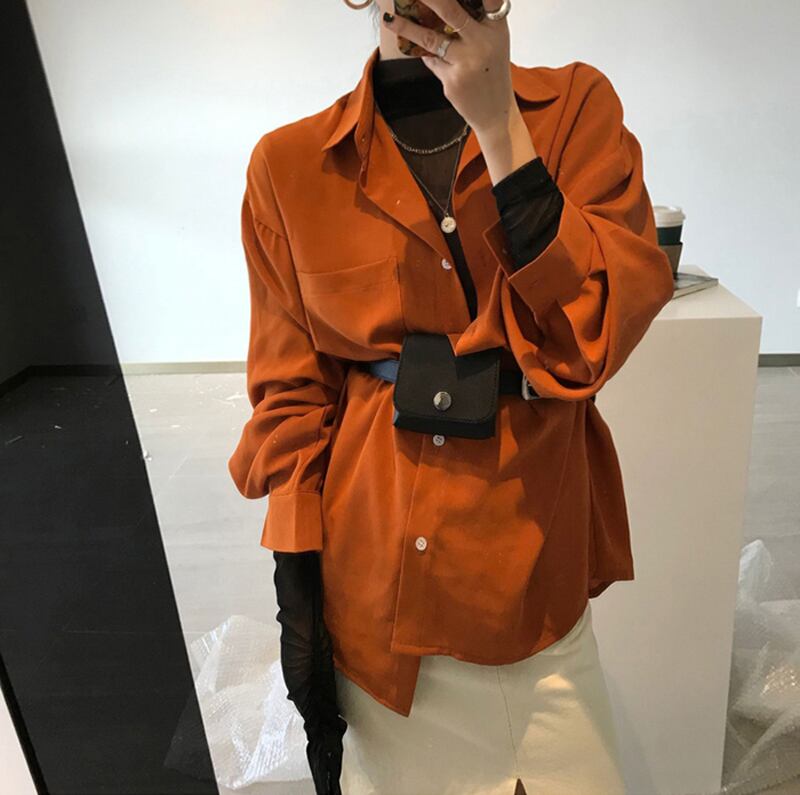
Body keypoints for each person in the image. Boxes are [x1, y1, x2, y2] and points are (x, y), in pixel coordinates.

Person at [228, 1, 676, 793]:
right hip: (380, 607)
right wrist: (296, 587)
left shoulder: (575, 111)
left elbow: (591, 337)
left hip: (537, 592)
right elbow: (292, 397)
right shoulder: (289, 166)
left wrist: (502, 130)